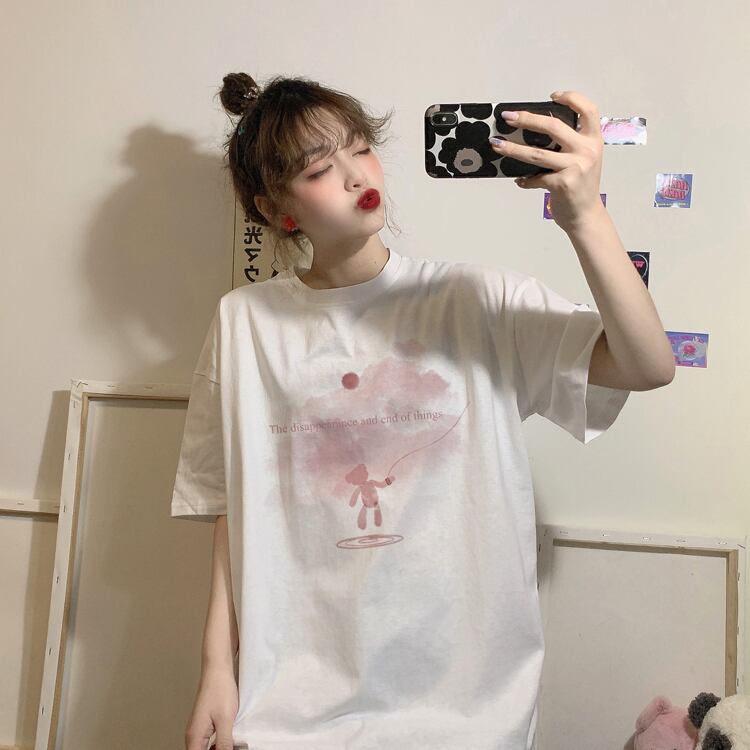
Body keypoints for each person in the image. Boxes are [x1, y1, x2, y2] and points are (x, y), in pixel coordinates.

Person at [170, 73, 675, 750]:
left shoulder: (474, 300)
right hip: (290, 710)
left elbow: (647, 365)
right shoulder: (245, 323)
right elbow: (231, 508)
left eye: (360, 148)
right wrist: (216, 669)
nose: (355, 175)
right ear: (277, 208)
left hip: (468, 712)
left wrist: (584, 216)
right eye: (319, 169)